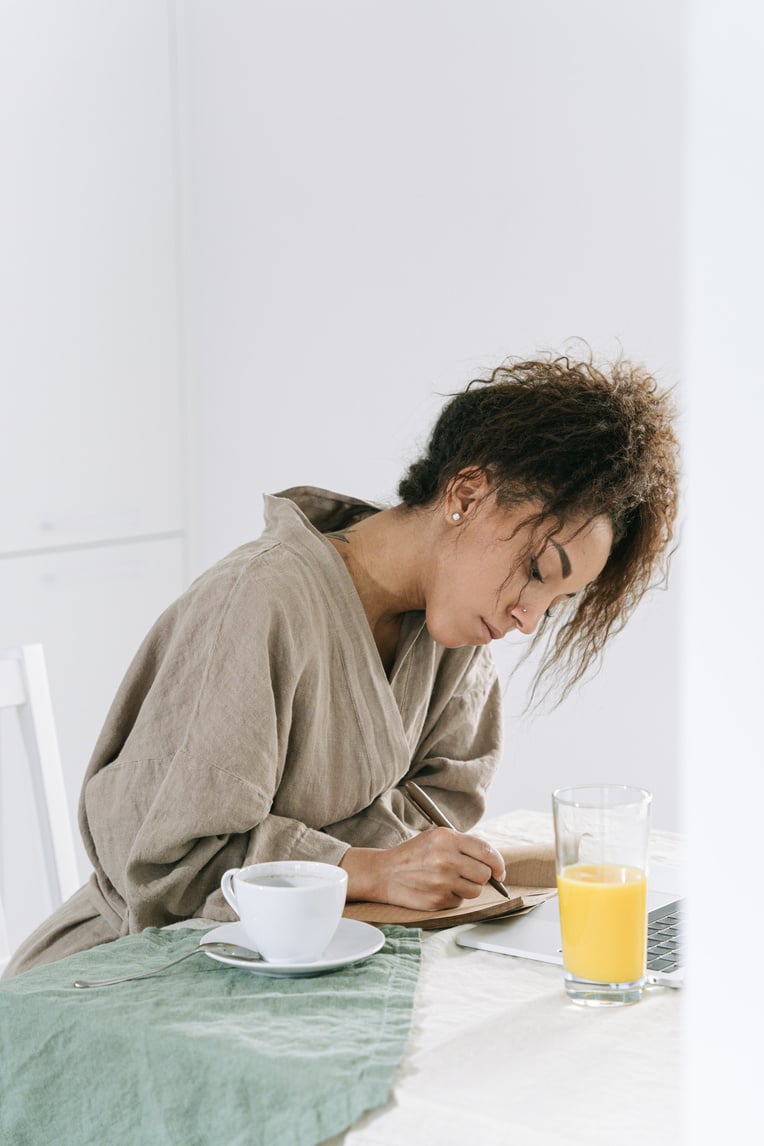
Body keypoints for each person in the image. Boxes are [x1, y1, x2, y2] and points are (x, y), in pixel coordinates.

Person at [4, 353, 678, 977]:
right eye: (536, 571)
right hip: (129, 971)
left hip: (305, 963)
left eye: (555, 604)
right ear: (466, 494)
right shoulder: (261, 599)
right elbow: (165, 861)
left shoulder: (456, 635)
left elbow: (433, 818)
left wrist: (387, 866)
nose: (527, 617)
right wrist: (361, 868)